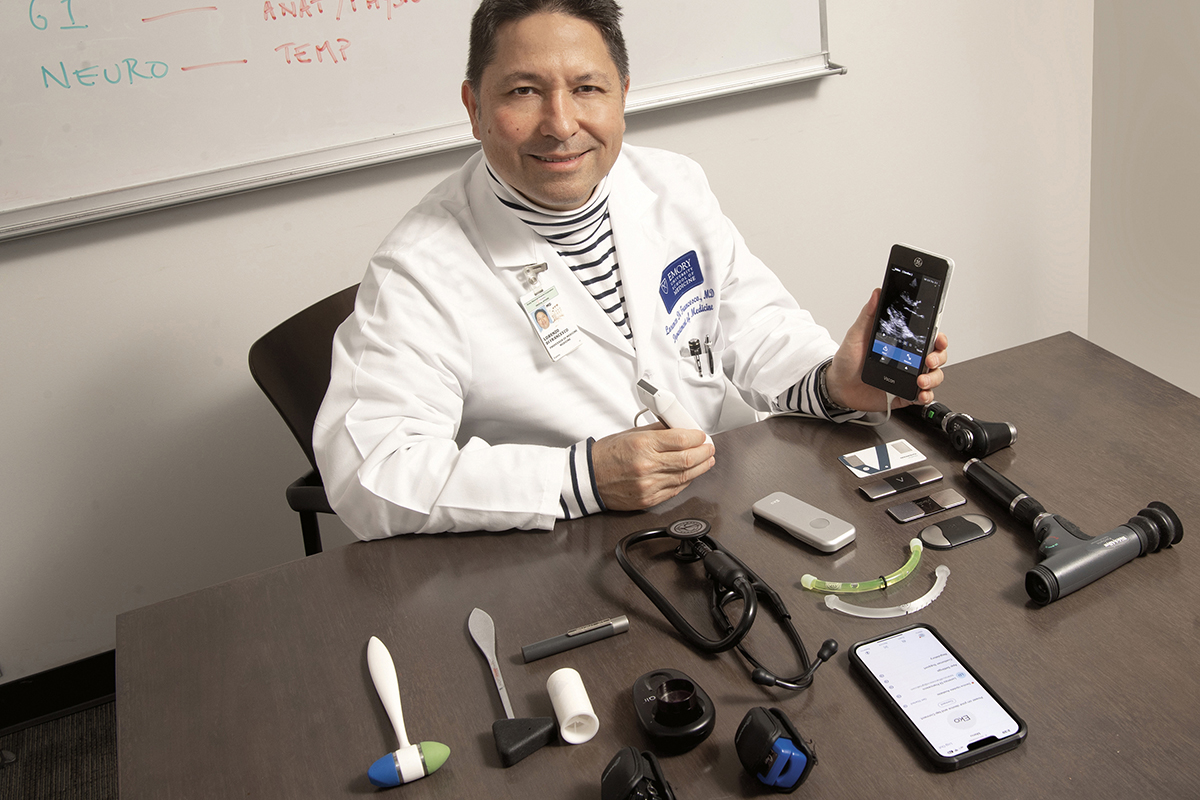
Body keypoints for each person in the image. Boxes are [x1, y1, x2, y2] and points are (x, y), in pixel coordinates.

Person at [313, 0, 949, 539]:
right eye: (523, 91)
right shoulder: (420, 269)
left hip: (718, 512)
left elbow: (758, 330)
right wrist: (579, 478)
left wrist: (836, 385)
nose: (561, 125)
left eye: (587, 88)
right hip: (559, 550)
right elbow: (371, 472)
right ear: (474, 106)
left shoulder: (673, 187)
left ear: (622, 96)